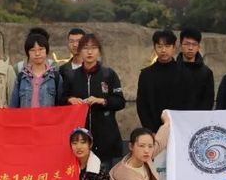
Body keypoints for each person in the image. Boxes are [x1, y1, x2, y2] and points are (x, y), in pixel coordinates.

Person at [64, 34, 125, 165]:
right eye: (85, 48)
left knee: (105, 173)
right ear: (80, 51)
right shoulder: (72, 76)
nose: (89, 52)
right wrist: (70, 100)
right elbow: (61, 101)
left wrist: (102, 101)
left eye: (93, 48)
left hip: (106, 138)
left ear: (99, 51)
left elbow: (120, 102)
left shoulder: (108, 74)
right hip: (80, 139)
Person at [137, 30, 184, 132]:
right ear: (154, 48)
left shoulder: (184, 73)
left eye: (167, 46)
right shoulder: (146, 74)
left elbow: (188, 102)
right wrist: (150, 130)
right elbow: (141, 105)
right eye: (159, 46)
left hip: (179, 129)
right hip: (154, 130)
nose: (163, 50)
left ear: (174, 48)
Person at [10, 33, 63, 108]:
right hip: (26, 116)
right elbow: (13, 106)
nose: (37, 53)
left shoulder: (55, 77)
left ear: (46, 51)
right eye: (32, 50)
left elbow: (60, 106)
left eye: (41, 49)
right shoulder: (21, 77)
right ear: (28, 53)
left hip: (48, 116)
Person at [176, 28, 214, 111]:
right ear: (180, 45)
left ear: (198, 47)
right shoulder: (172, 70)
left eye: (194, 44)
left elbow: (208, 101)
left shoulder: (206, 73)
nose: (190, 48)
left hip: (198, 117)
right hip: (175, 116)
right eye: (187, 44)